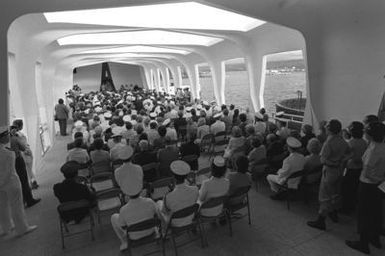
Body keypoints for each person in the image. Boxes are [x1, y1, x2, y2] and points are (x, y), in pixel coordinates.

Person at [345, 122, 385, 254]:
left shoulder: (373, 149)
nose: (364, 133)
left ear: (370, 135)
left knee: (364, 214)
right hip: (379, 185)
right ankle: (375, 239)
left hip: (369, 185)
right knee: (375, 212)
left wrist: (377, 181)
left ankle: (363, 244)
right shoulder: (382, 145)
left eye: (366, 131)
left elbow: (367, 171)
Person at [307, 119, 350, 230]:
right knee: (335, 193)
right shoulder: (343, 141)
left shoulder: (329, 142)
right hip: (339, 171)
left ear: (329, 129)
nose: (325, 128)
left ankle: (321, 221)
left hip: (330, 171)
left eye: (327, 127)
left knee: (324, 196)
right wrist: (341, 161)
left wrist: (334, 163)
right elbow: (349, 154)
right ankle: (334, 214)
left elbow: (323, 160)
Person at [0, 126, 37, 237]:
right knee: (17, 206)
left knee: (2, 207)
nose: (8, 136)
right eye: (6, 135)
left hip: (1, 184)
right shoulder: (7, 152)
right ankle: (22, 228)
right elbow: (9, 171)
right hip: (11, 182)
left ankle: (6, 227)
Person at [111, 171, 158, 251]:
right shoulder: (150, 201)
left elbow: (123, 226)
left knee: (114, 217)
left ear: (127, 194)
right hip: (151, 231)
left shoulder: (123, 209)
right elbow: (156, 215)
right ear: (140, 190)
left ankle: (124, 242)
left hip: (134, 236)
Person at [157, 160, 198, 231]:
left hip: (175, 224)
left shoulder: (168, 196)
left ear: (173, 177)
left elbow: (164, 211)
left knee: (157, 204)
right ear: (186, 176)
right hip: (191, 218)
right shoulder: (195, 189)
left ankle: (163, 232)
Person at [9, 126, 41, 208]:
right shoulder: (14, 139)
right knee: (23, 181)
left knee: (15, 183)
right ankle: (29, 200)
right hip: (18, 161)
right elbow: (23, 148)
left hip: (8, 164)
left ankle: (21, 202)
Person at [340, 121, 367, 214]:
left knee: (346, 189)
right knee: (354, 189)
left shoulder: (351, 143)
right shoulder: (364, 142)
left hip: (351, 168)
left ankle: (345, 208)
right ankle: (351, 207)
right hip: (360, 169)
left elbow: (345, 157)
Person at [12, 119, 38, 189]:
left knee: (27, 170)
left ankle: (32, 183)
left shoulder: (14, 136)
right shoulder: (20, 135)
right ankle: (33, 182)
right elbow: (24, 145)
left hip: (23, 154)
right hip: (26, 153)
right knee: (28, 169)